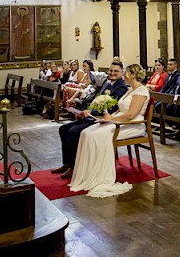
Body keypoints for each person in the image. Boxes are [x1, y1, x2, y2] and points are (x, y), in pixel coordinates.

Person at [69, 63, 150, 198]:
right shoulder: (131, 89)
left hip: (134, 124)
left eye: (127, 73)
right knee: (86, 132)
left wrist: (112, 119)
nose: (124, 75)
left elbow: (131, 114)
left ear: (133, 75)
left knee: (98, 135)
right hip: (120, 120)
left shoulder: (141, 91)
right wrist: (106, 117)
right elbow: (122, 109)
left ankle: (100, 175)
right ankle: (88, 172)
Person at [53, 61, 128, 180]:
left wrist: (91, 112)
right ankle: (67, 163)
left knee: (73, 131)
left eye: (116, 71)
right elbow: (97, 100)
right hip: (93, 115)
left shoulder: (121, 88)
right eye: (111, 70)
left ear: (122, 72)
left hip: (104, 120)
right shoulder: (107, 84)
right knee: (63, 128)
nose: (112, 73)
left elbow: (112, 108)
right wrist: (86, 111)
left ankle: (74, 167)